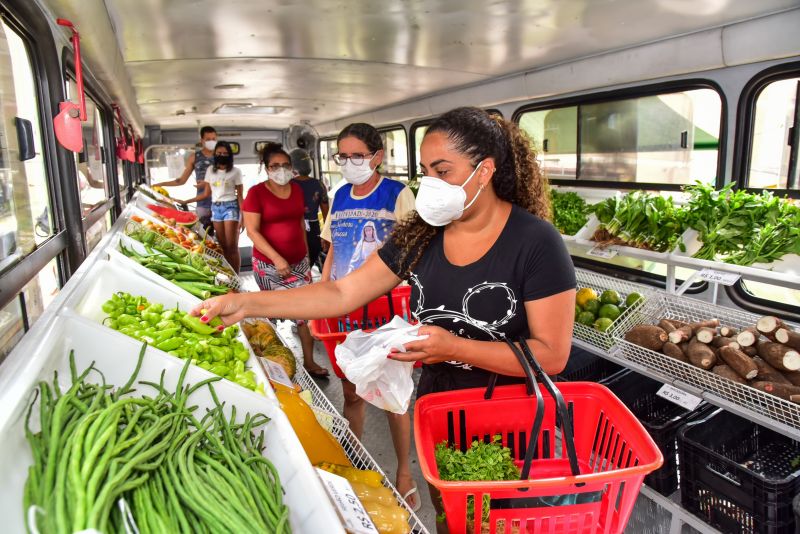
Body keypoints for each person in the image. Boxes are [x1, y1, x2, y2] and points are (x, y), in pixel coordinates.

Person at [191, 108, 576, 521]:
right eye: (426, 171)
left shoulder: (535, 242)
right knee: (452, 516)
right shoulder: (424, 232)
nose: (431, 184)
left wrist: (453, 346)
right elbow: (342, 291)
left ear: (484, 171)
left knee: (506, 521)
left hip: (511, 421)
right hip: (439, 412)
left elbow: (551, 354)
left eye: (443, 171)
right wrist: (247, 303)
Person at [243, 143, 330, 379]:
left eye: (285, 165)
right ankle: (271, 364)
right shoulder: (256, 193)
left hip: (299, 262)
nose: (280, 170)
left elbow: (299, 223)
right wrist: (277, 258)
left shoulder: (297, 190)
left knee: (305, 313)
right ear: (266, 168)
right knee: (271, 313)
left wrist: (303, 254)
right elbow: (252, 231)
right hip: (269, 266)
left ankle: (310, 362)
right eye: (275, 166)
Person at [189, 141, 243, 272]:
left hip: (231, 207)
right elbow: (206, 193)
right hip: (216, 208)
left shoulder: (236, 172)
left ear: (229, 155)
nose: (222, 155)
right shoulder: (210, 171)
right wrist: (186, 201)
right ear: (215, 154)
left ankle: (236, 275)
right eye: (219, 153)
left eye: (225, 153)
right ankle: (229, 276)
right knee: (223, 246)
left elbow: (240, 196)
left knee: (232, 246)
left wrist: (244, 217)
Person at [155, 126, 217, 233]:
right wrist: (160, 184)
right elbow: (181, 180)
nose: (211, 141)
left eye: (214, 139)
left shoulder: (222, 156)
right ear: (202, 140)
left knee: (225, 240)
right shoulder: (195, 157)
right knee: (207, 236)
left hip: (222, 203)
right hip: (202, 204)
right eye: (208, 139)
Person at [290, 148, 328, 271]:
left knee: (295, 265)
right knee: (309, 261)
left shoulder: (288, 185)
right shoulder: (319, 184)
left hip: (293, 228)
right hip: (314, 228)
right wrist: (326, 236)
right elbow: (326, 213)